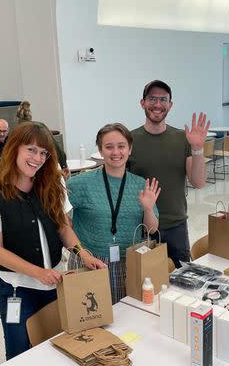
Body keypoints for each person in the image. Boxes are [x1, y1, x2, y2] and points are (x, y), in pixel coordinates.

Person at [0, 121, 106, 366]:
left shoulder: (51, 182)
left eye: (44, 153)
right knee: (17, 353)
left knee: (56, 344)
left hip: (54, 285)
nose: (37, 158)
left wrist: (83, 253)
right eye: (31, 150)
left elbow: (62, 226)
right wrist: (38, 273)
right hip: (16, 291)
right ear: (14, 148)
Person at [68, 123, 160, 304]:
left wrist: (148, 208)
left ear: (130, 149)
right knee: (91, 319)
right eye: (109, 147)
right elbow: (59, 220)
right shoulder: (80, 184)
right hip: (90, 261)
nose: (116, 152)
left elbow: (152, 229)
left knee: (126, 317)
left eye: (121, 146)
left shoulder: (141, 184)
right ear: (100, 151)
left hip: (130, 260)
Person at [129, 80, 210, 267]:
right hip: (141, 228)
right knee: (144, 287)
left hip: (176, 226)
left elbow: (198, 182)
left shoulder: (182, 139)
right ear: (143, 103)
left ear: (170, 105)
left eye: (163, 99)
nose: (157, 104)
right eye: (152, 99)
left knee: (182, 284)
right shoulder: (130, 140)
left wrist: (197, 148)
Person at [15, 100, 68, 174]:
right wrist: (64, 165)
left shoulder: (16, 132)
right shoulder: (41, 128)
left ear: (17, 118)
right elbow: (57, 149)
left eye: (42, 153)